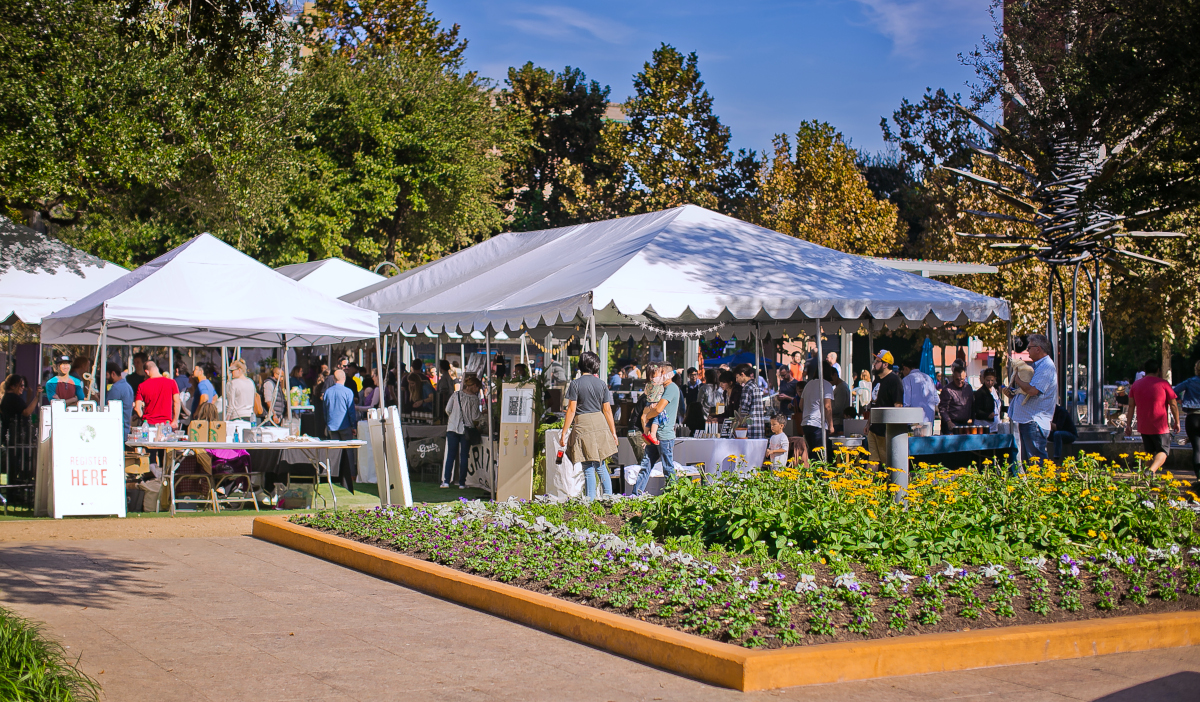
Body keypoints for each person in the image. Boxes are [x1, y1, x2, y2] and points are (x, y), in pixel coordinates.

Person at [559, 352, 619, 498]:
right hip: (600, 422)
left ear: (580, 365)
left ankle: (590, 501)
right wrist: (613, 432)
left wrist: (564, 432)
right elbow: (607, 410)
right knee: (600, 463)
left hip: (583, 424)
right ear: (596, 366)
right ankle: (609, 498)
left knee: (587, 466)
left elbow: (571, 410)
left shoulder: (575, 384)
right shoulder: (602, 384)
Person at [1004, 333, 1058, 467]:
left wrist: (1017, 380)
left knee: (1037, 462)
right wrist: (1013, 394)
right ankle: (1034, 487)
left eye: (1029, 348)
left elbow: (1033, 390)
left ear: (1038, 349)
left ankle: (1043, 486)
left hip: (1034, 421)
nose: (1027, 351)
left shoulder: (1046, 367)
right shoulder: (1037, 366)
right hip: (1028, 420)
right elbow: (1027, 391)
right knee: (1029, 463)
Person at [634, 361, 682, 494]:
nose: (657, 376)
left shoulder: (671, 388)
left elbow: (659, 409)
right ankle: (635, 494)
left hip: (665, 435)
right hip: (656, 435)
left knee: (667, 467)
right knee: (646, 465)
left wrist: (647, 415)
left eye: (660, 372)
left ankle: (674, 494)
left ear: (666, 374)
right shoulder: (659, 387)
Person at [1126, 358, 1180, 473]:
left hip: (1144, 425)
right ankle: (1150, 472)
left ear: (1145, 371)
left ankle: (1146, 481)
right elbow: (1173, 404)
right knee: (1163, 451)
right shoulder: (1163, 384)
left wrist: (1128, 425)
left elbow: (1131, 406)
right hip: (1160, 426)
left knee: (1149, 452)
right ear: (1158, 370)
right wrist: (1177, 422)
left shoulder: (1136, 385)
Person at [442, 375, 483, 489]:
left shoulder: (456, 395)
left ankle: (446, 481)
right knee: (464, 456)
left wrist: (454, 418)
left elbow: (447, 409)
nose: (478, 390)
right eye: (478, 388)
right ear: (473, 386)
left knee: (451, 455)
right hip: (466, 429)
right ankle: (461, 483)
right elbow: (475, 416)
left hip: (452, 428)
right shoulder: (474, 399)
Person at [867, 350, 904, 467]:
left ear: (885, 364)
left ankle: (888, 484)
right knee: (872, 461)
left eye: (877, 361)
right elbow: (874, 403)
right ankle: (869, 484)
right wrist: (868, 423)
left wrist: (892, 429)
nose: (874, 364)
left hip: (885, 430)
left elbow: (898, 405)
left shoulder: (894, 380)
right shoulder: (876, 380)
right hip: (873, 428)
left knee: (886, 463)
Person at [324, 369, 358, 491]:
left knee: (335, 452)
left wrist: (327, 423)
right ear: (344, 379)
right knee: (348, 451)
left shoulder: (328, 392)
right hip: (345, 425)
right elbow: (351, 411)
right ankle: (351, 475)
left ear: (334, 379)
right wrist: (353, 426)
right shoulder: (348, 392)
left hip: (332, 425)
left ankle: (334, 475)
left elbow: (325, 410)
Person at [799, 361, 834, 459]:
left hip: (806, 423)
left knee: (811, 454)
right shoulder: (826, 385)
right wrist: (831, 425)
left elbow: (801, 405)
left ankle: (811, 473)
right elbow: (827, 407)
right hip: (818, 424)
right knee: (820, 456)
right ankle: (818, 474)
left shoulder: (808, 384)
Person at [133, 360, 180, 429]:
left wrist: (142, 417)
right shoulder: (172, 383)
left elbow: (137, 408)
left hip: (149, 424)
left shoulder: (142, 386)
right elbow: (177, 401)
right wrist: (175, 420)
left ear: (146, 372)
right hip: (166, 424)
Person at [1173, 359, 1200, 477]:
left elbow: (1173, 392)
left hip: (1192, 417)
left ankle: (1199, 478)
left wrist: (1181, 401)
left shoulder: (1190, 381)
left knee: (1197, 449)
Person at [1, 374, 39, 446]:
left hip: (10, 434)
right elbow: (26, 412)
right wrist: (36, 398)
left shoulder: (6, 398)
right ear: (12, 386)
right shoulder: (14, 398)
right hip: (17, 436)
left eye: (24, 385)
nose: (23, 388)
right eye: (21, 385)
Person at [900, 358, 939, 425]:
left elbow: (906, 402)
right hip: (929, 421)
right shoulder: (928, 378)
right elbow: (937, 400)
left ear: (905, 368)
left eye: (902, 370)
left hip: (913, 421)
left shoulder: (907, 379)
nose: (902, 373)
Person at [938, 362, 975, 433]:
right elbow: (942, 408)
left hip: (965, 423)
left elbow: (972, 404)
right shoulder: (947, 390)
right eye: (957, 379)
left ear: (965, 377)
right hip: (951, 423)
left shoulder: (968, 388)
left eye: (962, 379)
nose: (960, 382)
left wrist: (973, 419)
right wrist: (948, 421)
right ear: (953, 377)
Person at [640, 364, 670, 445]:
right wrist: (676, 371)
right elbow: (667, 376)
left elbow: (646, 392)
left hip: (648, 402)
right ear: (654, 374)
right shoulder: (658, 381)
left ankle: (645, 433)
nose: (661, 374)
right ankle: (653, 434)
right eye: (660, 372)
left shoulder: (648, 383)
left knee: (649, 419)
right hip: (656, 403)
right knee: (656, 419)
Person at [735, 364, 766, 439]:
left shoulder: (747, 387)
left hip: (750, 428)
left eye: (737, 377)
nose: (736, 380)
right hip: (759, 427)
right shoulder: (755, 385)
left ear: (742, 374)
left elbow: (744, 410)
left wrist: (738, 423)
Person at [104, 364, 134, 437]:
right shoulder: (128, 386)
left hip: (117, 430)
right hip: (125, 428)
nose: (106, 378)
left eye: (107, 375)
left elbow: (107, 408)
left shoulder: (116, 388)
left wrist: (97, 399)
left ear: (113, 373)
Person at [830, 369, 852, 434]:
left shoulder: (841, 388)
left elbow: (838, 408)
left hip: (838, 422)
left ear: (835, 375)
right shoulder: (840, 387)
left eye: (830, 379)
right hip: (837, 422)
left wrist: (826, 410)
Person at [436, 359, 454, 423]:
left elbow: (444, 392)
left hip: (444, 403)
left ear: (440, 367)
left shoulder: (444, 378)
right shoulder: (448, 377)